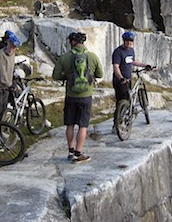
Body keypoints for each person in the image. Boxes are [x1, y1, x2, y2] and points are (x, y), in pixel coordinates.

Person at [52, 31, 103, 164]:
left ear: (72, 42)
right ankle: (79, 153)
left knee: (70, 124)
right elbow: (100, 73)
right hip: (86, 96)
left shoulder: (64, 57)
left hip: (71, 95)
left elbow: (56, 76)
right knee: (82, 125)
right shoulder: (92, 56)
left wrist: (68, 78)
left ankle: (70, 151)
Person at [112, 31, 151, 127]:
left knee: (127, 100)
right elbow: (116, 67)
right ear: (124, 41)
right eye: (127, 40)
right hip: (120, 81)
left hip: (128, 79)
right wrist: (121, 78)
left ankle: (123, 121)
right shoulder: (118, 51)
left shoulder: (131, 51)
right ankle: (117, 124)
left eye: (131, 41)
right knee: (121, 101)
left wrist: (145, 65)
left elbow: (133, 62)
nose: (129, 42)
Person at [0, 32, 21, 122]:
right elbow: (1, 74)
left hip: (6, 88)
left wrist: (12, 80)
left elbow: (11, 69)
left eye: (14, 47)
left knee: (3, 111)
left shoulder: (12, 55)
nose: (11, 48)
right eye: (11, 45)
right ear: (8, 43)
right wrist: (10, 84)